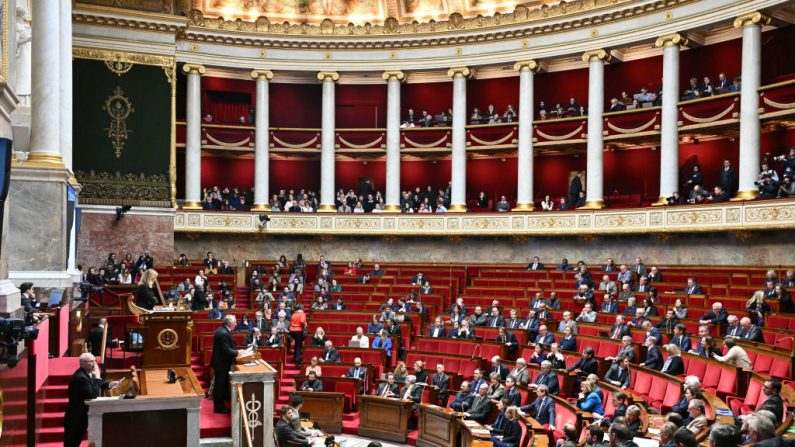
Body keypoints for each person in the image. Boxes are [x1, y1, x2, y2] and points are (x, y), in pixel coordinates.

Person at [63, 353, 119, 447]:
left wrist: (109, 384)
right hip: (76, 418)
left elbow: (96, 384)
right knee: (71, 444)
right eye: (92, 361)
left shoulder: (86, 374)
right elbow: (92, 394)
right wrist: (97, 376)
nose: (94, 364)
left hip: (81, 416)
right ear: (83, 363)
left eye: (95, 361)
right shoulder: (80, 378)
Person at [212, 315, 243, 413]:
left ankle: (221, 404)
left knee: (221, 384)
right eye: (235, 322)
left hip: (222, 362)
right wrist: (238, 352)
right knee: (219, 385)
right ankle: (219, 407)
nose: (236, 324)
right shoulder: (223, 333)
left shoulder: (223, 330)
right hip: (221, 363)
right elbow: (226, 350)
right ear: (230, 323)